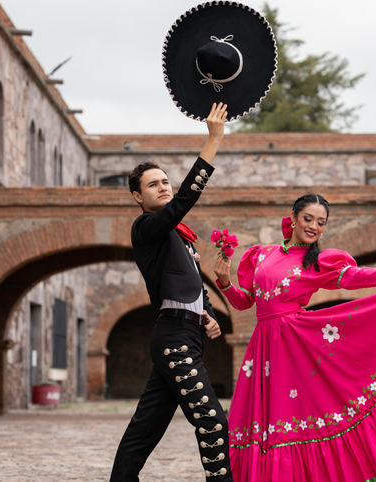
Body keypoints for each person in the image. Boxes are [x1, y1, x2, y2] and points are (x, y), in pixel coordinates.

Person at [213, 194, 376, 482]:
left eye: (321, 223)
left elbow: (356, 277)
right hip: (262, 346)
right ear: (293, 218)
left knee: (291, 415)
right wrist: (225, 283)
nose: (314, 227)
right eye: (308, 219)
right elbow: (246, 303)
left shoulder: (318, 261)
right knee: (259, 420)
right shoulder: (261, 255)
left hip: (294, 344)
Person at [110, 103, 233, 481]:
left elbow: (192, 281)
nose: (163, 187)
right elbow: (184, 201)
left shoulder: (179, 238)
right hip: (174, 340)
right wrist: (212, 142)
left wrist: (208, 313)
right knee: (213, 422)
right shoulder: (147, 228)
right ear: (137, 196)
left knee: (144, 430)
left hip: (187, 336)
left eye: (165, 181)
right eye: (153, 184)